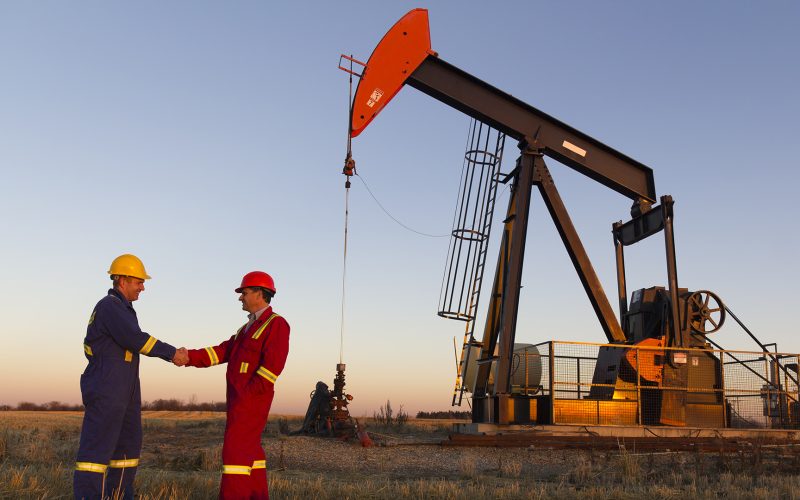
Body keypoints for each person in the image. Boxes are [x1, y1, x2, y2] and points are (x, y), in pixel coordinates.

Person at [74, 254, 188, 500]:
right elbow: (135, 339)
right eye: (139, 281)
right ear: (122, 280)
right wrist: (172, 353)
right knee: (96, 453)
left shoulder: (122, 309)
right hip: (108, 387)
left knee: (127, 449)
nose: (143, 287)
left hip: (125, 389)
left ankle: (119, 495)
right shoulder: (110, 306)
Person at [179, 271, 290, 499]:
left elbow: (272, 369)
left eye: (244, 292)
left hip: (250, 402)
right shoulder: (245, 329)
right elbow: (221, 352)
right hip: (241, 401)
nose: (240, 297)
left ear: (260, 294)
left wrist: (247, 396)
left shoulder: (276, 324)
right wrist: (187, 356)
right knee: (251, 454)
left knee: (235, 454)